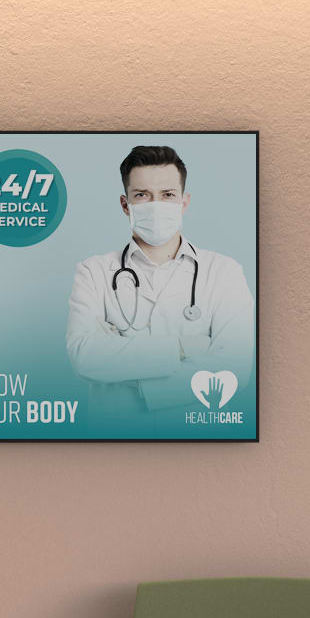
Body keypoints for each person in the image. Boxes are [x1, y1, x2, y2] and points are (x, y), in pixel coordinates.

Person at [64, 144, 252, 416]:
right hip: (113, 444)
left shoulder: (224, 272)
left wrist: (129, 375)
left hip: (193, 444)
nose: (156, 206)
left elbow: (233, 370)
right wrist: (185, 347)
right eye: (142, 195)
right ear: (125, 205)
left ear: (183, 202)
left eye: (167, 195)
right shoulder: (93, 272)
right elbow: (84, 358)